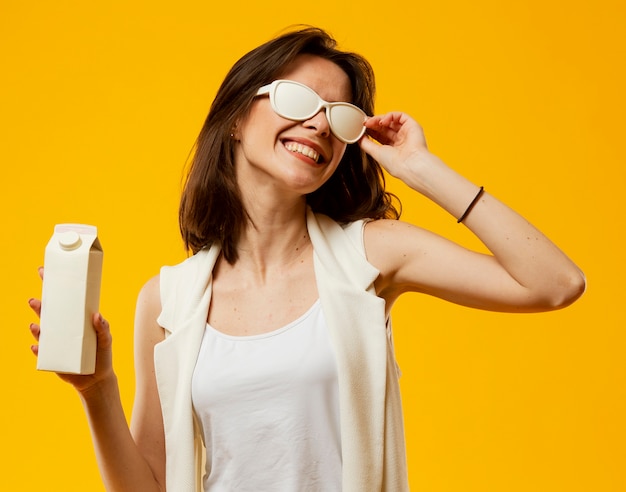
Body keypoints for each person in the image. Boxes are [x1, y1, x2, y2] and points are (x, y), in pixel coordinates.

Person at [28, 26, 585, 492]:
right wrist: (97, 389)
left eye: (340, 116)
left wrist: (419, 166)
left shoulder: (370, 255)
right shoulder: (166, 300)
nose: (320, 125)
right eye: (297, 101)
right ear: (238, 118)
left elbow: (555, 283)